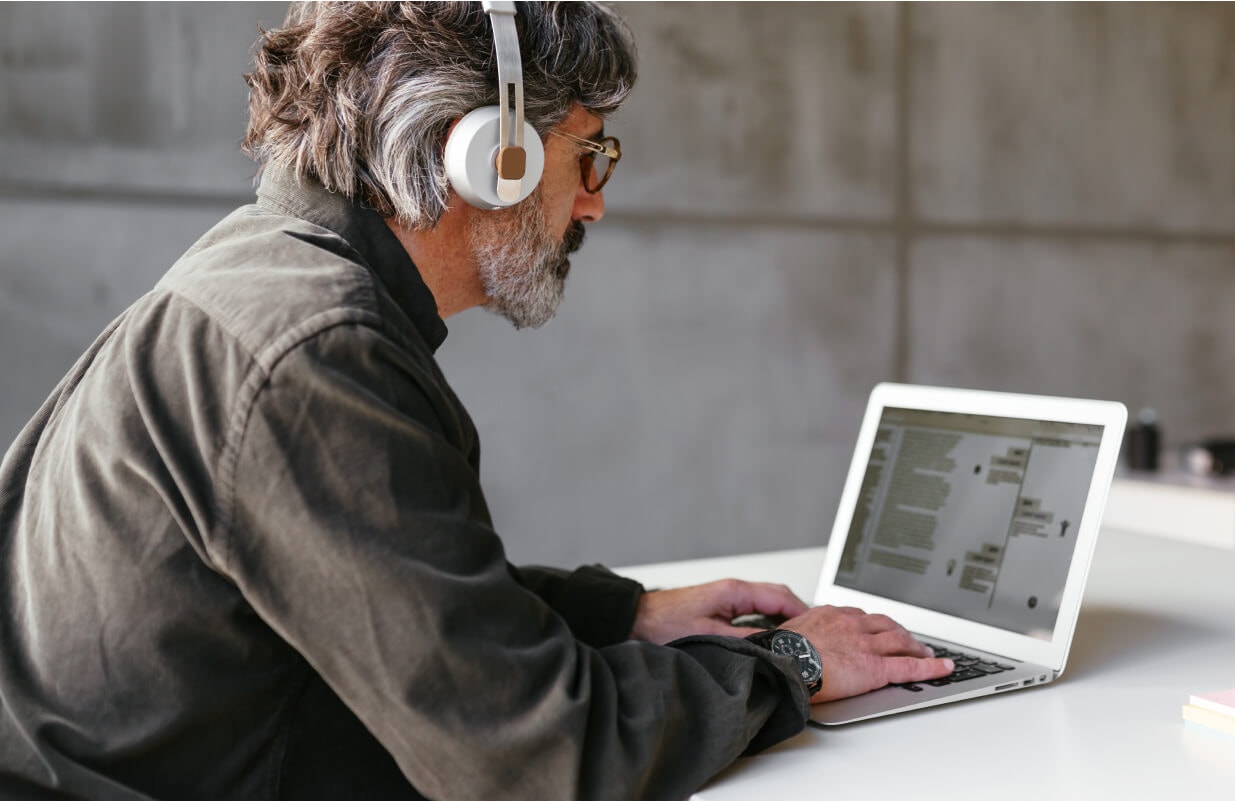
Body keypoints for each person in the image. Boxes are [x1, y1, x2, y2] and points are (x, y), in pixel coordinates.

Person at [0, 3, 952, 800]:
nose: (594, 204)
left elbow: (376, 588)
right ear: (489, 154)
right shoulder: (315, 351)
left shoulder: (261, 271)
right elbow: (536, 756)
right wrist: (793, 663)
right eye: (591, 155)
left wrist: (620, 615)